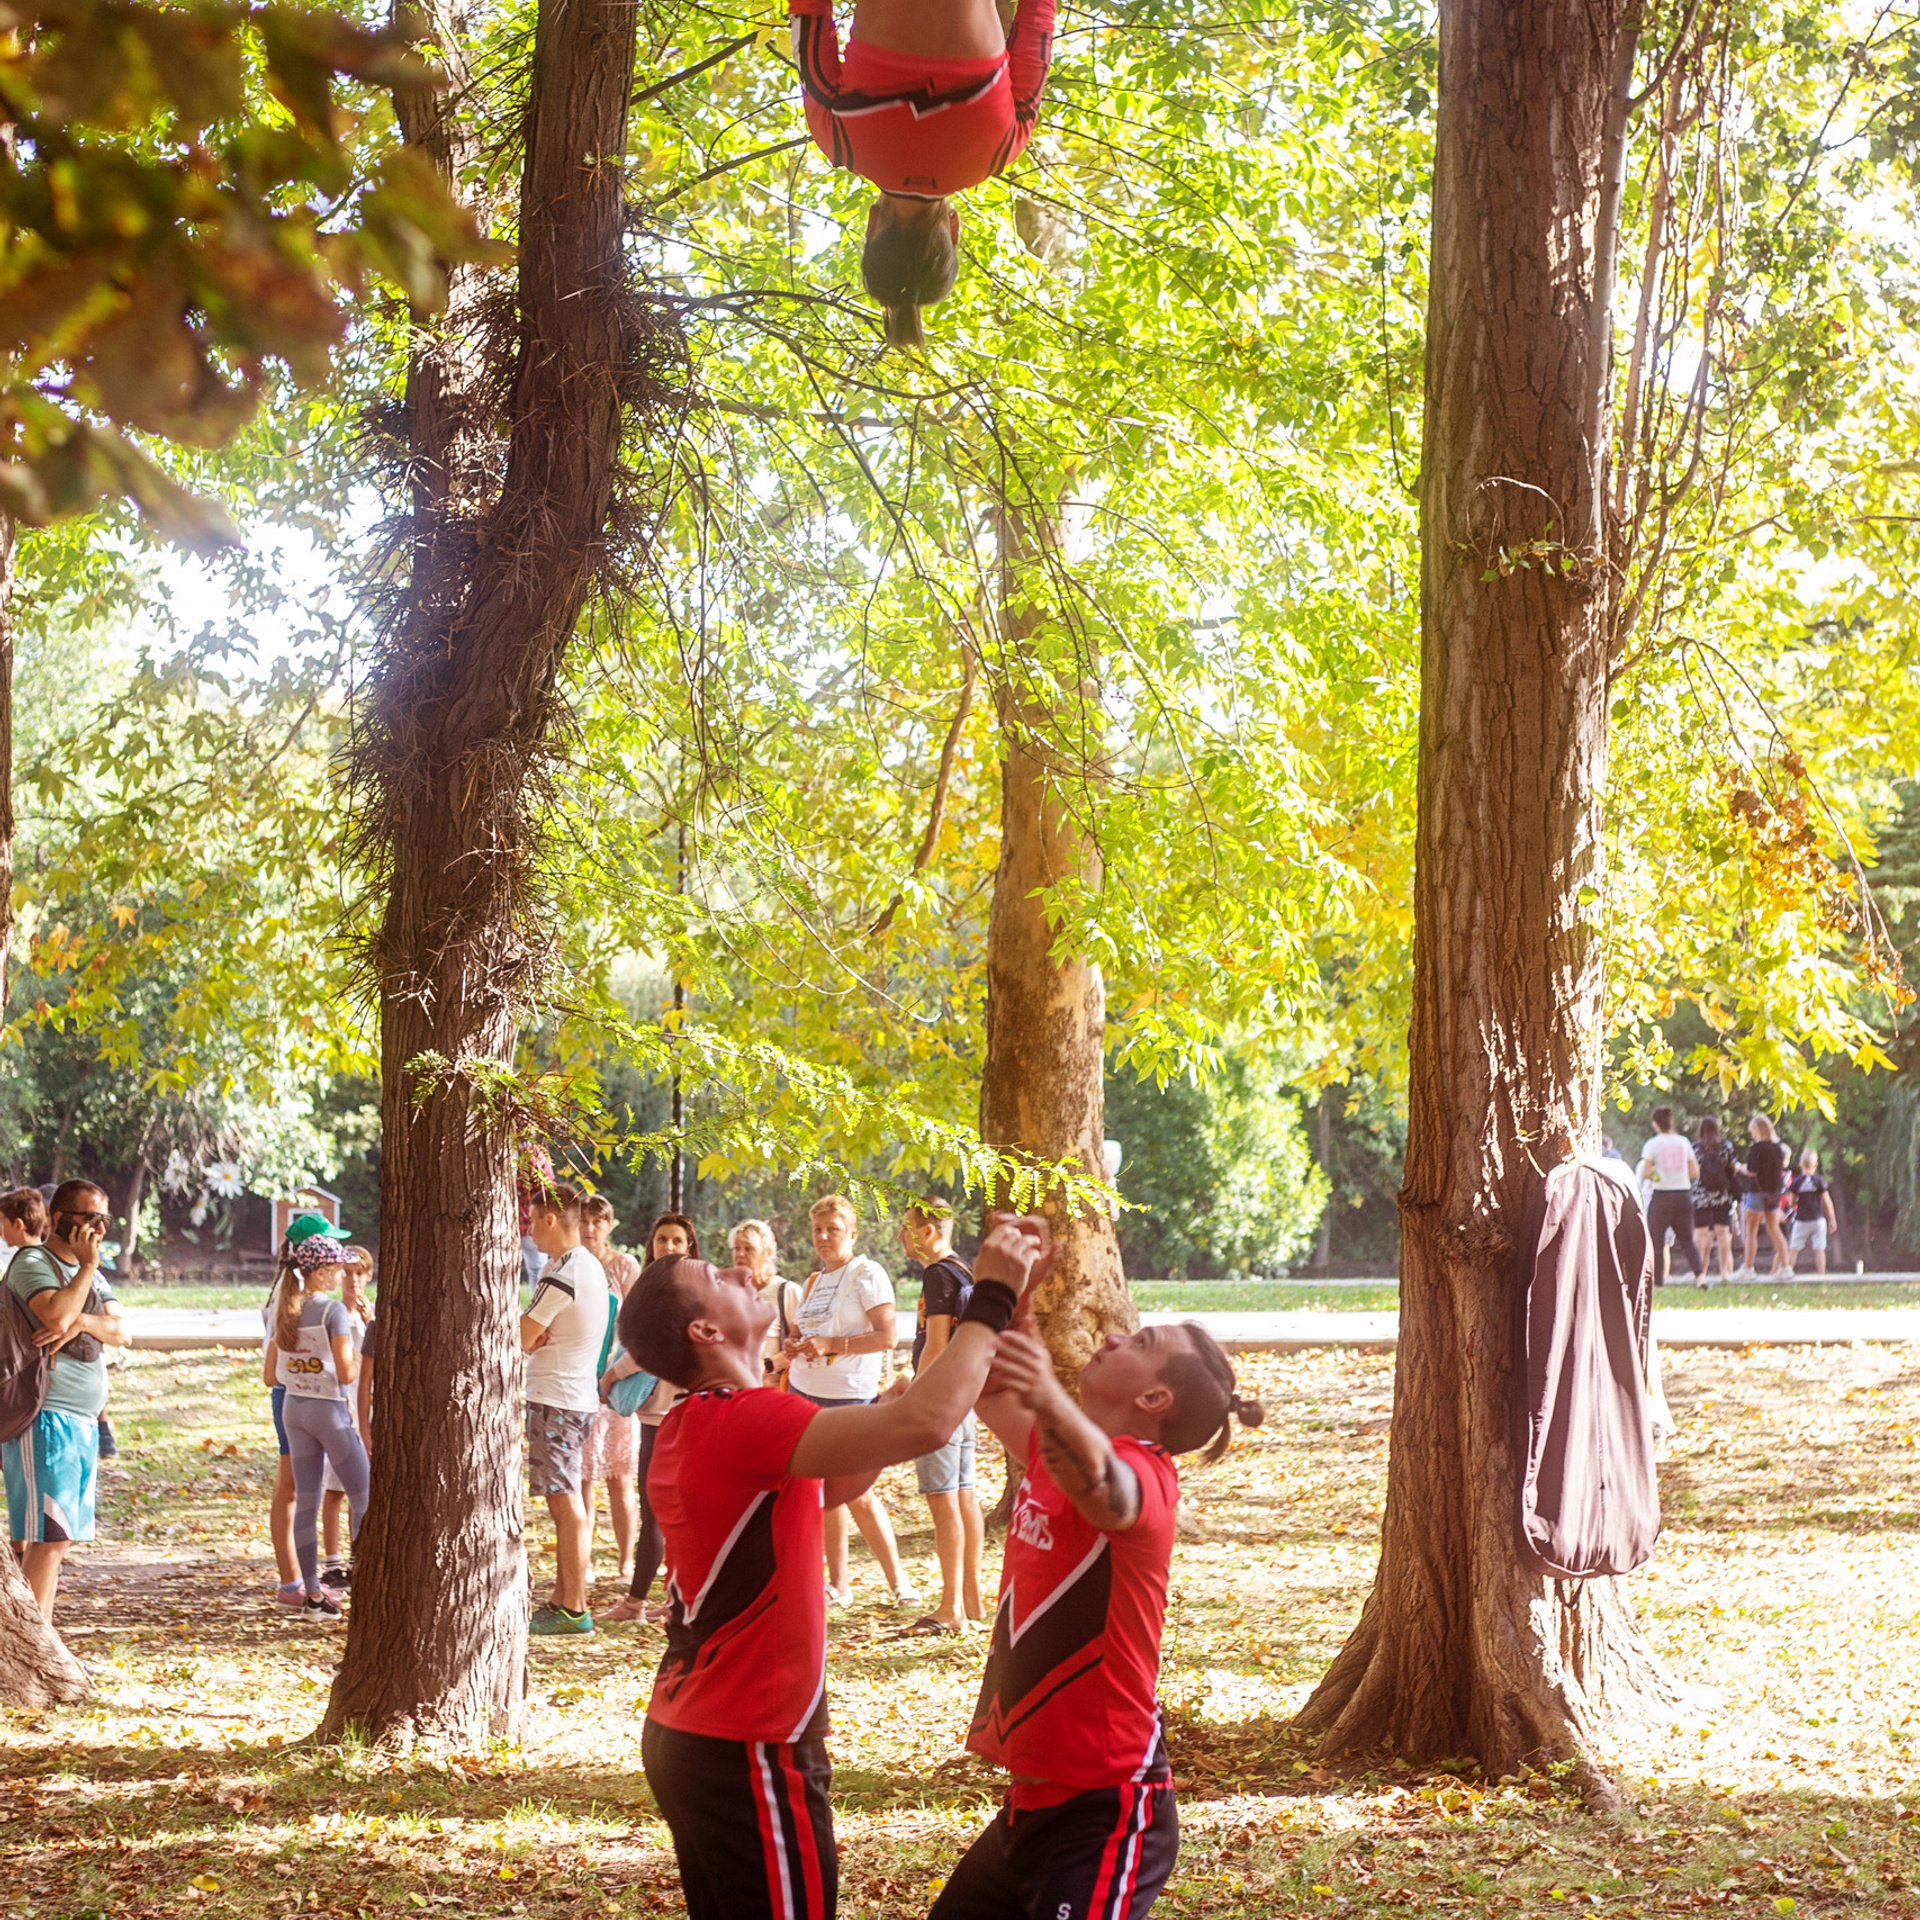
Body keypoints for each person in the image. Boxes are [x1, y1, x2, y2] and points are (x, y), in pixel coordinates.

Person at [623, 1210, 1053, 1920]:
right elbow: (923, 1425)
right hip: (747, 1741)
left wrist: (985, 1338)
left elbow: (851, 1470)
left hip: (704, 1733)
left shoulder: (712, 1418)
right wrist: (993, 1298)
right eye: (714, 1275)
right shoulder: (739, 1420)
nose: (736, 1270)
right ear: (704, 1332)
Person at [931, 1318, 1264, 1920]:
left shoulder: (1149, 1476)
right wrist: (1016, 1299)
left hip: (1107, 1811)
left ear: (1154, 1399)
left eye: (1141, 1344)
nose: (1113, 1338)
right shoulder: (1053, 1449)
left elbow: (1108, 1491)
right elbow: (987, 1388)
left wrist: (1047, 1393)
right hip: (1030, 1806)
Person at [789, 0, 1056, 344]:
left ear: (954, 230)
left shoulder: (1001, 150)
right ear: (871, 225)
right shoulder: (838, 138)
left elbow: (1038, 21)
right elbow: (807, 15)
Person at [3, 1180, 128, 1622]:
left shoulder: (93, 1272)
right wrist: (86, 1275)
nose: (98, 1228)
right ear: (60, 1219)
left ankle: (42, 1639)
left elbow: (121, 1331)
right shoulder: (31, 1262)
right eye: (90, 1219)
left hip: (82, 1420)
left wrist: (82, 1323)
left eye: (104, 1220)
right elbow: (54, 1313)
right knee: (47, 1536)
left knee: (60, 1540)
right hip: (43, 1416)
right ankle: (35, 1642)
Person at [787, 1194, 919, 1607]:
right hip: (804, 1393)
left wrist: (833, 1344)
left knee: (858, 1491)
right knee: (822, 1491)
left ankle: (900, 1584)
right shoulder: (813, 1281)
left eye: (833, 1229)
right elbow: (807, 1335)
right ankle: (838, 1585)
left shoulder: (867, 1273)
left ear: (852, 1233)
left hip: (849, 1398)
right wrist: (795, 1347)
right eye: (817, 1230)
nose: (823, 1237)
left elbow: (887, 1337)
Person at [520, 1183, 613, 1635]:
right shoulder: (585, 1266)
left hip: (558, 1397)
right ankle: (562, 1596)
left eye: (533, 1218)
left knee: (564, 1501)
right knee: (565, 1496)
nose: (530, 1228)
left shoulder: (566, 1272)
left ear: (550, 1219)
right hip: (571, 1396)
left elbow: (521, 1336)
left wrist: (529, 1334)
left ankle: (575, 1607)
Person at [599, 1211, 700, 1626]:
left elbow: (651, 1350)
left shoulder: (686, 1290)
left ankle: (640, 1602)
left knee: (663, 1511)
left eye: (677, 1241)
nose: (669, 1248)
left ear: (689, 1247)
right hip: (653, 1415)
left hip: (678, 1414)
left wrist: (610, 1377)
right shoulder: (652, 1288)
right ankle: (674, 1600)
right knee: (661, 1510)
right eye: (662, 1240)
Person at [264, 1231, 370, 1618]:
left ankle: (312, 1596)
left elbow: (269, 1376)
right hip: (329, 1411)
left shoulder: (286, 1308)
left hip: (294, 1409)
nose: (344, 1272)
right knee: (364, 1495)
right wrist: (360, 1356)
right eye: (339, 1266)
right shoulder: (333, 1311)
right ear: (324, 1271)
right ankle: (367, 1578)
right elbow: (344, 1372)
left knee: (306, 1502)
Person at [901, 1197, 983, 1635]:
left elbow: (934, 1346)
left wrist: (913, 1396)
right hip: (965, 1397)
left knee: (943, 1499)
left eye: (907, 1227)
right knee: (964, 1495)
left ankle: (950, 1608)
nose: (902, 1235)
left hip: (940, 1403)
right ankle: (971, 1600)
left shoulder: (936, 1275)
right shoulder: (963, 1269)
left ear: (929, 1231)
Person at [579, 1196, 643, 1584]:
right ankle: (581, 1558)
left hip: (616, 1381)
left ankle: (625, 1562)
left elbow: (637, 1324)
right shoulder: (566, 1262)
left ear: (609, 1224)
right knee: (583, 1476)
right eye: (584, 1221)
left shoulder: (624, 1266)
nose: (590, 1229)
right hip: (579, 1380)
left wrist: (618, 1372)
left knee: (619, 1477)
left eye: (597, 1221)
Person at [317, 1250, 374, 1591]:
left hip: (364, 1409)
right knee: (334, 1489)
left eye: (360, 1274)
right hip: (341, 1410)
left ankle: (357, 1557)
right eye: (348, 1274)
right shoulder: (333, 1316)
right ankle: (332, 1562)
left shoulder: (373, 1318)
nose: (354, 1281)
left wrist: (370, 1324)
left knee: (360, 1489)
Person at [1635, 1107, 1701, 1286]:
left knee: (1656, 1240)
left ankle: (1657, 1281)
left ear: (1655, 1124)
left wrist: (1662, 1175)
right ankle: (1700, 1277)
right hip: (1683, 1194)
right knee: (1688, 1240)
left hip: (1662, 1195)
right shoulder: (1683, 1142)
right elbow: (1695, 1171)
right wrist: (1678, 1176)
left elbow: (1646, 1172)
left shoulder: (1652, 1144)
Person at [731, 1218, 800, 1384]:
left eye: (749, 1249)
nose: (740, 1254)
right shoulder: (728, 1293)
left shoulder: (787, 1291)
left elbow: (801, 1346)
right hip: (732, 1393)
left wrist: (766, 1365)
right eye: (737, 1248)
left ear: (768, 1253)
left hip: (771, 1394)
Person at [1738, 1113, 1791, 1279]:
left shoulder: (1757, 1148)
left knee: (1751, 1231)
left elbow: (1752, 1171)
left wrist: (1739, 1168)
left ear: (1757, 1129)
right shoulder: (1778, 1149)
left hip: (1756, 1193)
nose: (1752, 1134)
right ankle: (1786, 1266)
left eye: (1752, 1130)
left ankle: (1748, 1268)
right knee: (1774, 1229)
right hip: (1773, 1195)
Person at [1783, 1148, 1838, 1276]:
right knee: (1819, 1250)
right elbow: (1827, 1201)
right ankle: (1821, 1276)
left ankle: (1788, 1273)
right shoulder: (1819, 1181)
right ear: (1816, 1165)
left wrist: (1799, 1202)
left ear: (1800, 1164)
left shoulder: (1796, 1181)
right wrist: (1832, 1219)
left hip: (1801, 1220)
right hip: (1818, 1220)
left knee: (1794, 1249)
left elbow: (1791, 1202)